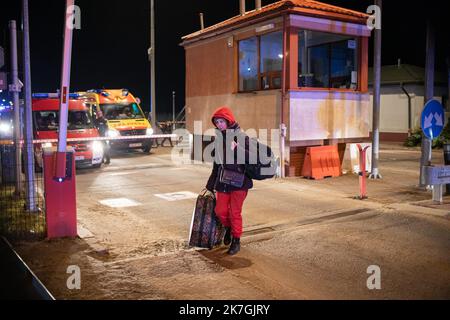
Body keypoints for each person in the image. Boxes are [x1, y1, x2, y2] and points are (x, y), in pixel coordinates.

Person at [205, 106, 253, 255]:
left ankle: (236, 240)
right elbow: (216, 165)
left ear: (228, 121)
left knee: (235, 213)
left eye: (221, 121)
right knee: (220, 211)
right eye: (217, 122)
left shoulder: (242, 137)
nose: (219, 124)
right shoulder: (218, 140)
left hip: (239, 182)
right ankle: (229, 229)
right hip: (223, 182)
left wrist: (237, 149)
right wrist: (210, 183)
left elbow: (252, 158)